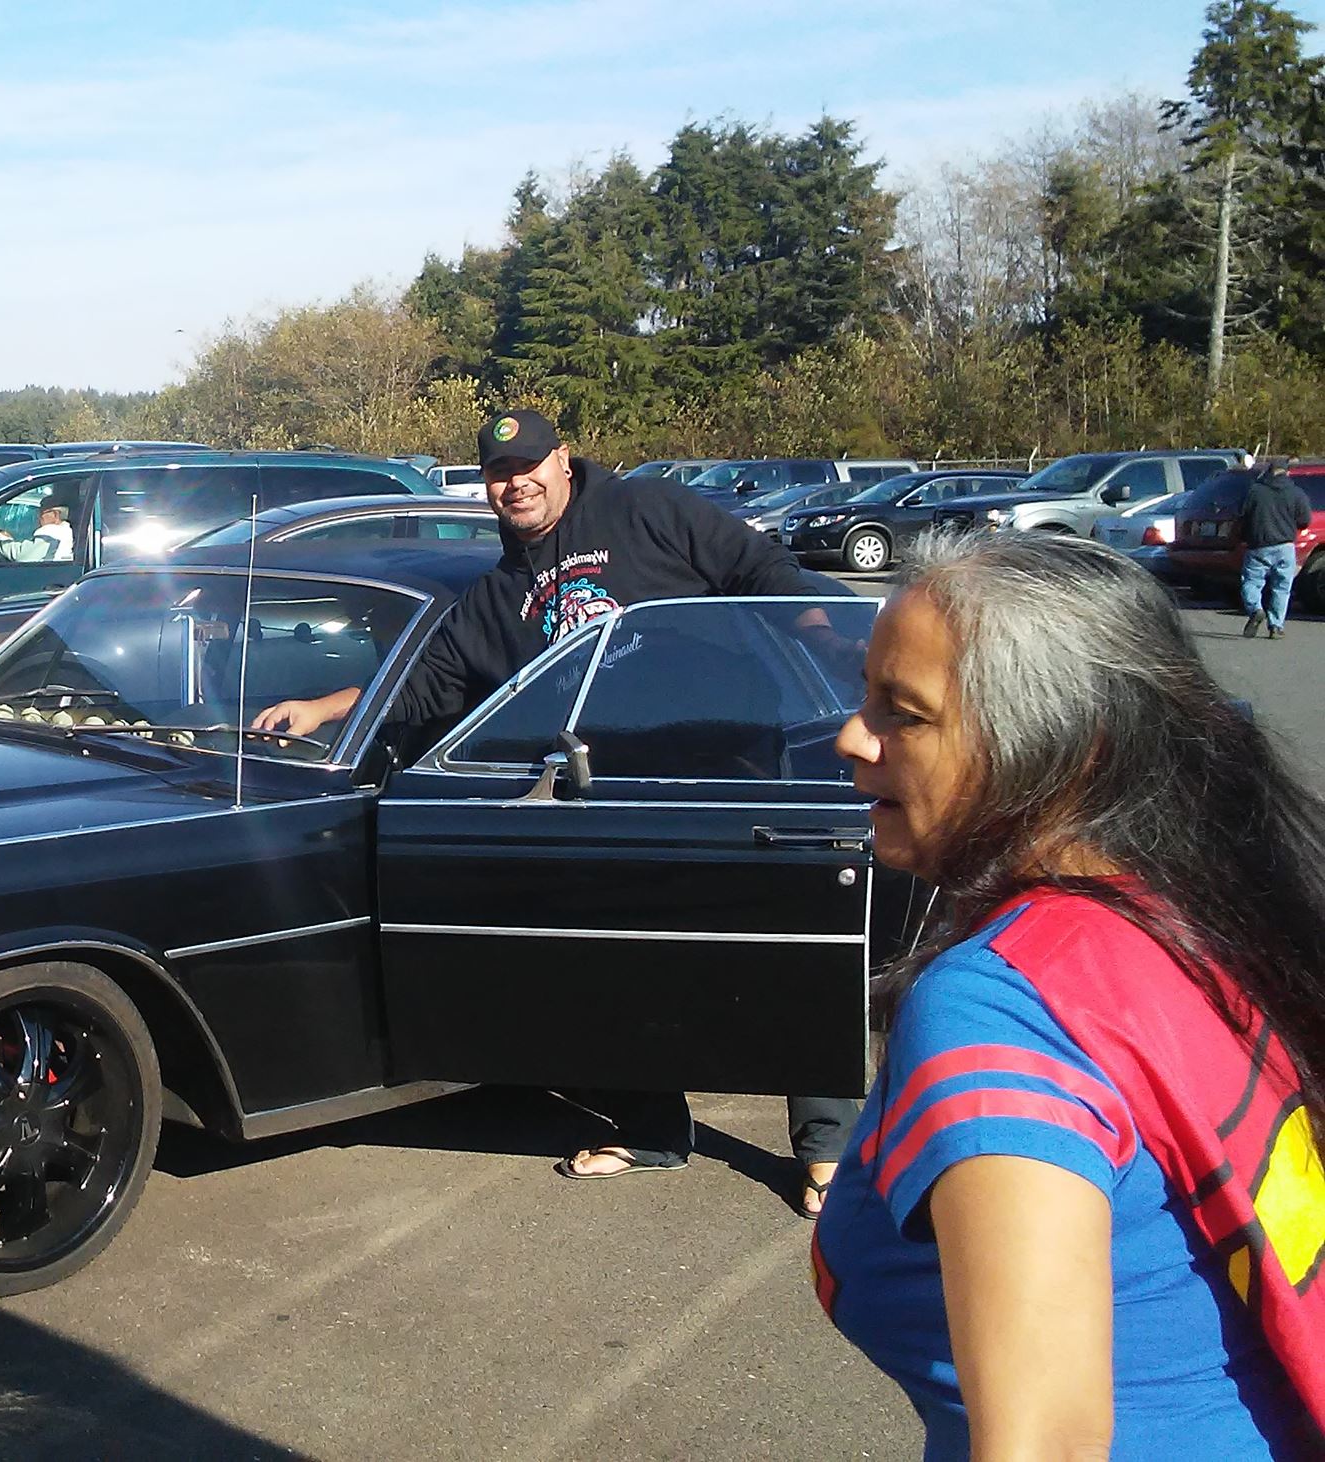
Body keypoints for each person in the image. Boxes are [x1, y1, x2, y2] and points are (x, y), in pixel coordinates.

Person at [254, 410, 857, 1214]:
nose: (517, 483)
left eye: (529, 465)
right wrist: (326, 707)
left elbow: (758, 568)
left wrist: (837, 643)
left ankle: (828, 1151)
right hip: (608, 793)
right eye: (501, 473)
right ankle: (649, 1128)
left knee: (779, 958)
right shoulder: (499, 595)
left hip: (727, 769)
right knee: (615, 965)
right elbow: (428, 685)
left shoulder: (648, 511)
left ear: (563, 461)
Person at [817, 530, 1325, 1457]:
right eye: (866, 696)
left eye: (906, 713)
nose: (853, 737)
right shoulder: (1187, 911)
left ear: (1068, 749)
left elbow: (1042, 1443)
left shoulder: (997, 1006)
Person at [1238, 465, 1308, 640]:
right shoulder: (1296, 492)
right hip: (1285, 546)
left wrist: (1244, 536)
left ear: (1267, 473)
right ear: (1287, 473)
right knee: (1282, 588)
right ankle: (1276, 626)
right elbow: (1304, 520)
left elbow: (1242, 515)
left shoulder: (1255, 491)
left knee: (1251, 582)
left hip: (1258, 545)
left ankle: (1255, 609)